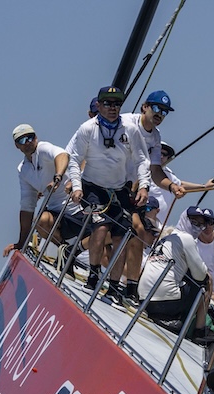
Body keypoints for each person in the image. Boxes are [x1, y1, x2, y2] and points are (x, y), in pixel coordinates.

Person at [65, 86, 149, 300]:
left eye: (117, 104)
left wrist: (143, 186)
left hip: (119, 189)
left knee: (123, 237)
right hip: (93, 186)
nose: (113, 108)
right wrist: (76, 186)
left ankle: (113, 286)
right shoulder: (87, 128)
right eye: (108, 103)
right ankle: (93, 274)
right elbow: (73, 159)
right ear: (99, 105)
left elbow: (142, 159)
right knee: (101, 228)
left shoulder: (130, 128)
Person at [3, 124, 74, 258]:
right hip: (57, 215)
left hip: (78, 207)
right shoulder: (23, 170)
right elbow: (27, 206)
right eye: (22, 140)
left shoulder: (43, 148)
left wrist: (58, 176)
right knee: (39, 221)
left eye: (30, 137)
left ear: (36, 137)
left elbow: (62, 154)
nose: (28, 142)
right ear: (17, 146)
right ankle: (66, 251)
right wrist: (21, 242)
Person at [135, 216, 212, 326]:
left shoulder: (163, 239)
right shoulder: (186, 238)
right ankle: (197, 330)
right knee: (207, 281)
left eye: (201, 225)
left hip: (143, 300)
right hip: (165, 304)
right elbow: (201, 275)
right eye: (194, 223)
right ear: (184, 220)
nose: (197, 228)